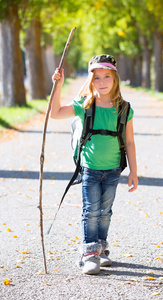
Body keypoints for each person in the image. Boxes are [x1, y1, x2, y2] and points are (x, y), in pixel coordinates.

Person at [51, 54, 138, 275]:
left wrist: (134, 172)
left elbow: (129, 141)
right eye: (97, 77)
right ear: (91, 81)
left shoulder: (124, 109)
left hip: (113, 170)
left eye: (106, 76)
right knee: (90, 211)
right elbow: (55, 113)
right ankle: (89, 253)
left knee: (105, 211)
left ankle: (100, 248)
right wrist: (58, 86)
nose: (102, 82)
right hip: (89, 168)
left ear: (115, 78)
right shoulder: (84, 104)